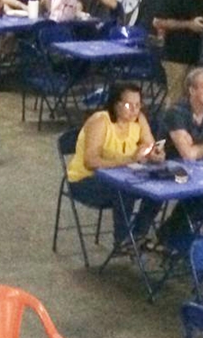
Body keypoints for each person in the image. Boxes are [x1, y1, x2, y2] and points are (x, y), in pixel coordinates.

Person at [66, 82, 163, 241]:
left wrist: (155, 154)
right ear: (116, 105)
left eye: (138, 105)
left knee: (159, 188)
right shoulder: (100, 122)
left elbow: (151, 145)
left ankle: (138, 233)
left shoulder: (139, 119)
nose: (134, 110)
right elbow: (91, 161)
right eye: (128, 105)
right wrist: (129, 160)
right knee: (125, 191)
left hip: (124, 176)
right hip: (86, 180)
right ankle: (122, 241)